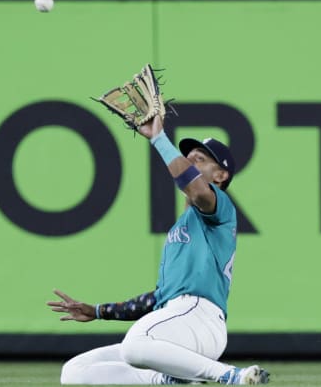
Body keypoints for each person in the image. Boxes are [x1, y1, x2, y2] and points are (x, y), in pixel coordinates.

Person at [47, 113, 270, 385]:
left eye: (200, 158)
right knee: (75, 372)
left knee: (134, 344)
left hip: (199, 318)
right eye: (189, 157)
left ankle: (229, 375)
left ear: (221, 175)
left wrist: (159, 139)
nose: (189, 161)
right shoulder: (182, 228)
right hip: (175, 323)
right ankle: (168, 380)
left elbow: (198, 191)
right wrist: (96, 311)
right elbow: (157, 299)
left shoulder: (219, 207)